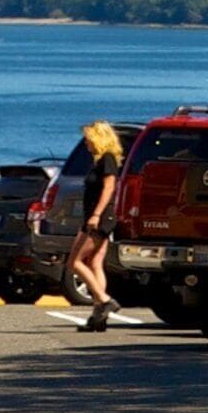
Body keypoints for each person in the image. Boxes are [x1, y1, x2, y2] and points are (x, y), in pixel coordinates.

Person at [66, 123, 126, 330]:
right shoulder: (100, 161)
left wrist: (96, 215)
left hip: (99, 218)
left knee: (74, 262)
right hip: (97, 217)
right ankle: (99, 317)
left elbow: (109, 188)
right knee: (95, 263)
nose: (86, 143)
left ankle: (104, 300)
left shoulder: (107, 159)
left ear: (98, 138)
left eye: (88, 138)